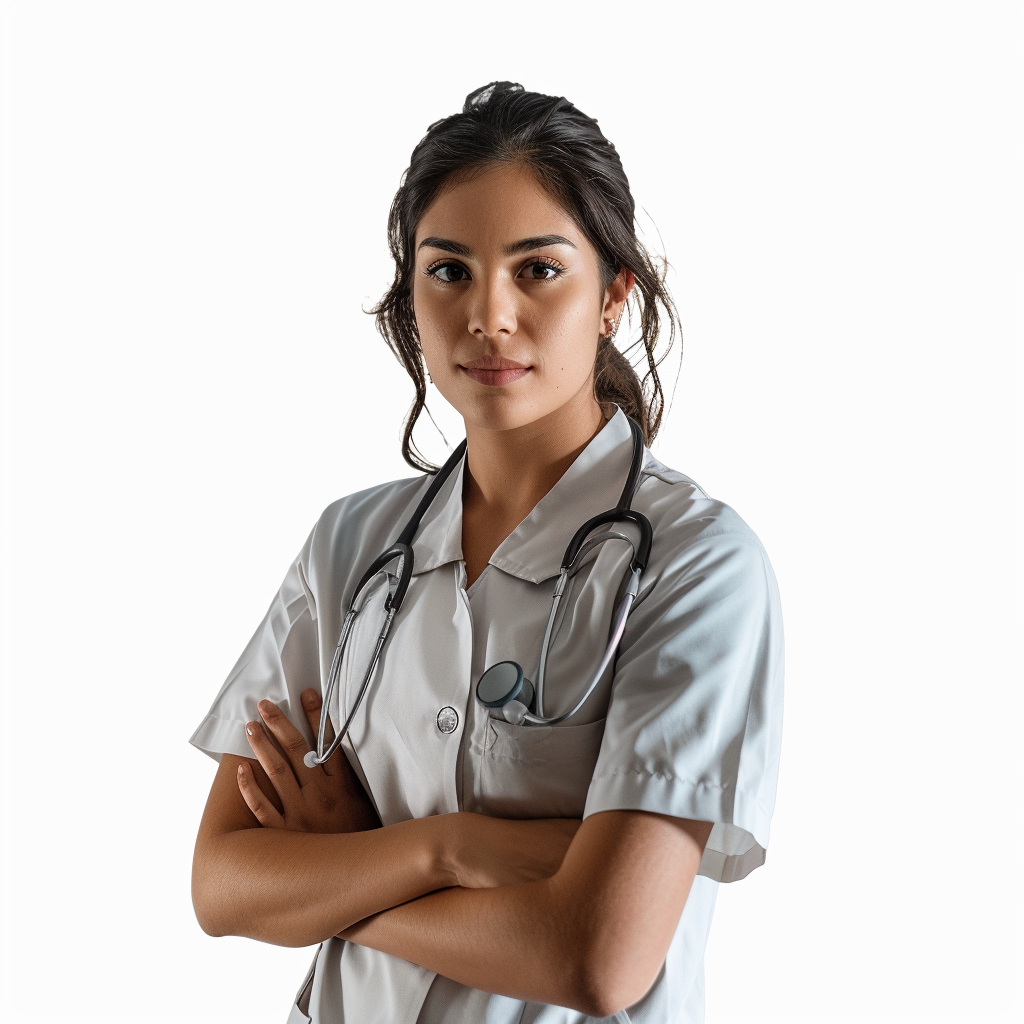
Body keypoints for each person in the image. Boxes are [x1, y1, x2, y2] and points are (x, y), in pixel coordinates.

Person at [190, 81, 784, 1024]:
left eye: (538, 270)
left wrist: (340, 878)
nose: (489, 314)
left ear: (612, 297)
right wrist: (449, 849)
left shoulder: (697, 565)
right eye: (449, 269)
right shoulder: (352, 545)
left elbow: (598, 956)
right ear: (410, 296)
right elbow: (223, 886)